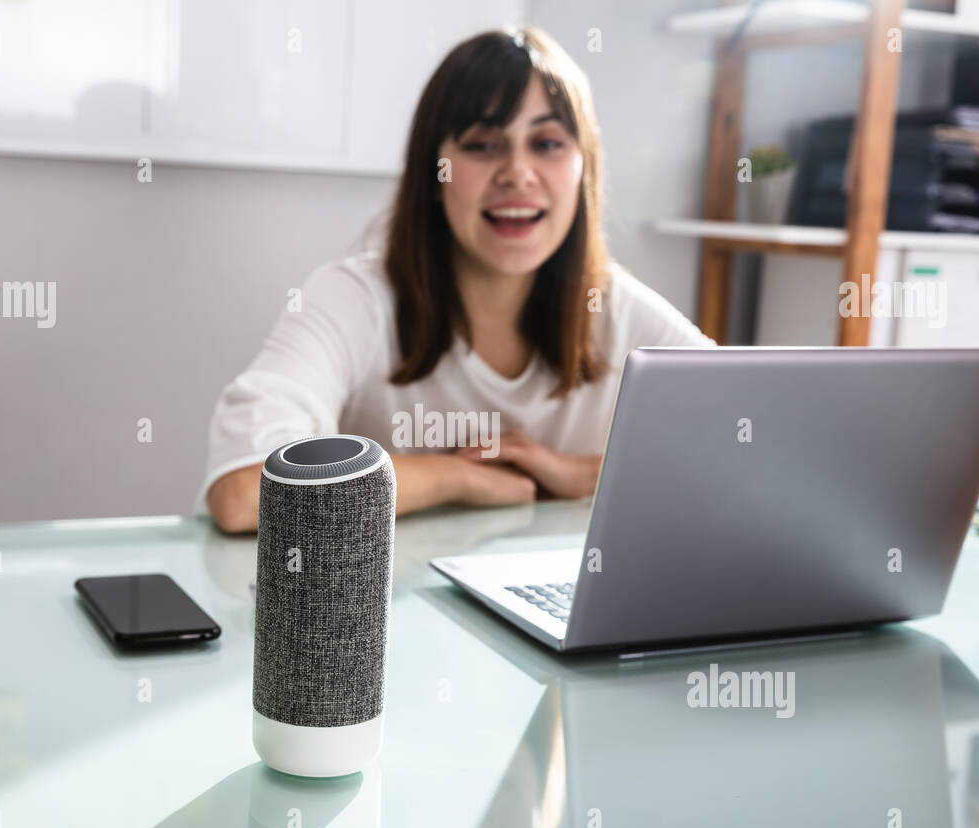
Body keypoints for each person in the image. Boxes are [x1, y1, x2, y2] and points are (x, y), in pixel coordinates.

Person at [200, 26, 715, 534]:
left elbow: (747, 451)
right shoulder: (354, 298)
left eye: (548, 143)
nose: (517, 172)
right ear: (433, 172)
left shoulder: (615, 307)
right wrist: (455, 477)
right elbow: (246, 494)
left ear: (585, 169)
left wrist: (581, 473)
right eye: (483, 145)